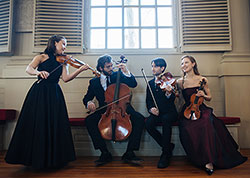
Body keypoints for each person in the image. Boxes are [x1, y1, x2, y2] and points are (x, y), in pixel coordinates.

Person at [5, 35, 89, 169]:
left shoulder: (63, 61)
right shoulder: (41, 57)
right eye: (63, 44)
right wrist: (38, 72)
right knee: (39, 123)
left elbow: (66, 78)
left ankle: (54, 160)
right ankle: (36, 159)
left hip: (54, 93)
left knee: (55, 123)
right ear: (55, 43)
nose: (65, 47)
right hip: (39, 93)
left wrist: (79, 70)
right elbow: (29, 69)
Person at [176, 55, 247, 175]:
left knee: (205, 123)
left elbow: (209, 97)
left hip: (201, 109)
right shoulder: (179, 82)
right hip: (187, 111)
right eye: (182, 63)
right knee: (188, 127)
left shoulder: (202, 79)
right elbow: (181, 100)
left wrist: (203, 95)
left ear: (193, 64)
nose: (183, 65)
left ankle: (209, 161)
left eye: (186, 62)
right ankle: (197, 157)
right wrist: (177, 100)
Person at [83, 54, 145, 166]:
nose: (111, 68)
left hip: (123, 108)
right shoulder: (94, 82)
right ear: (101, 68)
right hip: (104, 111)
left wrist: (126, 70)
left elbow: (133, 84)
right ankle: (104, 152)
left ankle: (130, 152)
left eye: (112, 66)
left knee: (139, 119)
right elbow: (87, 97)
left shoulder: (118, 75)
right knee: (89, 120)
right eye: (108, 67)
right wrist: (89, 102)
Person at [145, 58, 178, 168]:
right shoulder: (150, 83)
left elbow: (172, 99)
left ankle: (165, 153)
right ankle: (168, 146)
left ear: (162, 68)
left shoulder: (169, 81)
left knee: (166, 119)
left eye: (155, 66)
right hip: (157, 113)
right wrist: (151, 109)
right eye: (152, 66)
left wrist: (169, 93)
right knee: (148, 124)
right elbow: (148, 100)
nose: (152, 68)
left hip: (169, 112)